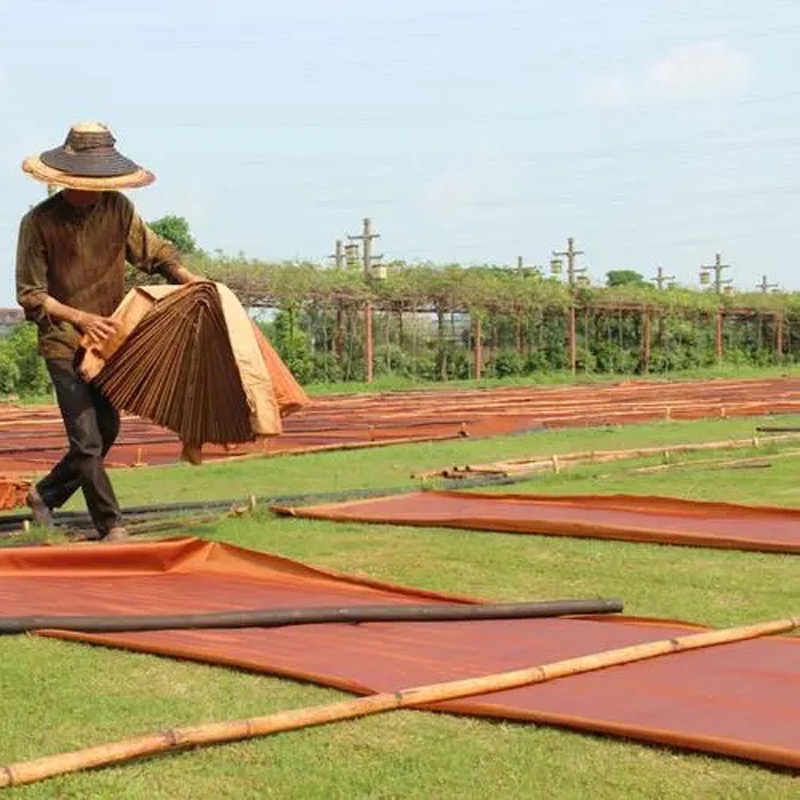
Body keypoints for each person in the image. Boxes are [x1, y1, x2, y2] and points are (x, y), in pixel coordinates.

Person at [15, 122, 200, 542]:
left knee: (108, 430)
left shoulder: (118, 209)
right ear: (66, 178)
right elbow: (31, 295)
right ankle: (111, 524)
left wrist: (189, 279)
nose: (94, 188)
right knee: (86, 439)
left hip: (108, 342)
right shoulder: (39, 223)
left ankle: (44, 494)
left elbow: (155, 253)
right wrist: (80, 319)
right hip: (63, 341)